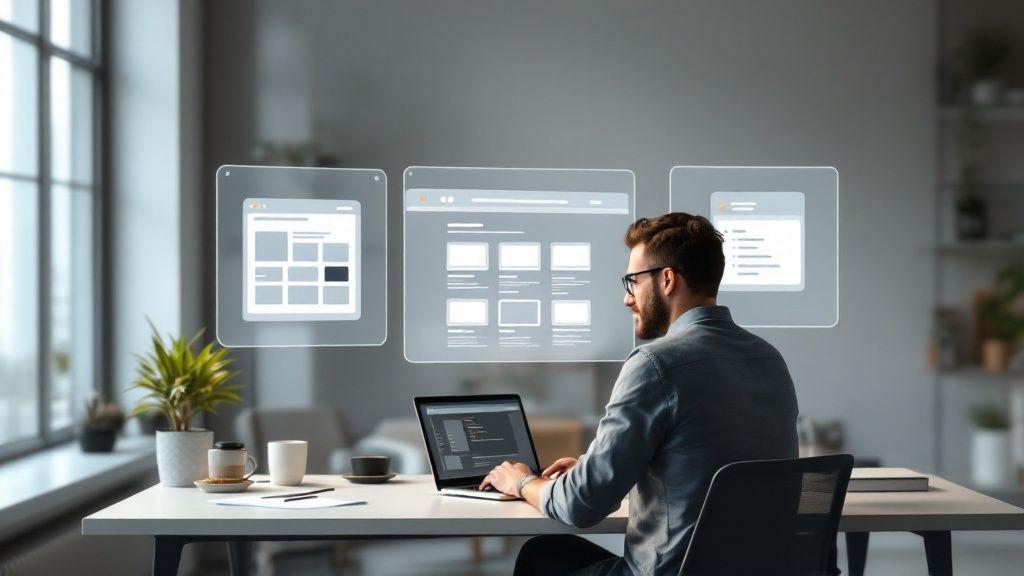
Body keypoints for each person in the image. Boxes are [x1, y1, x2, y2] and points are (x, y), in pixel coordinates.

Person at [479, 212, 800, 575]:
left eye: (632, 281)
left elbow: (581, 505)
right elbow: (706, 460)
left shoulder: (655, 363)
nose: (626, 298)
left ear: (666, 279)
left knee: (540, 556)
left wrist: (523, 482)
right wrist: (600, 465)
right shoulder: (768, 358)